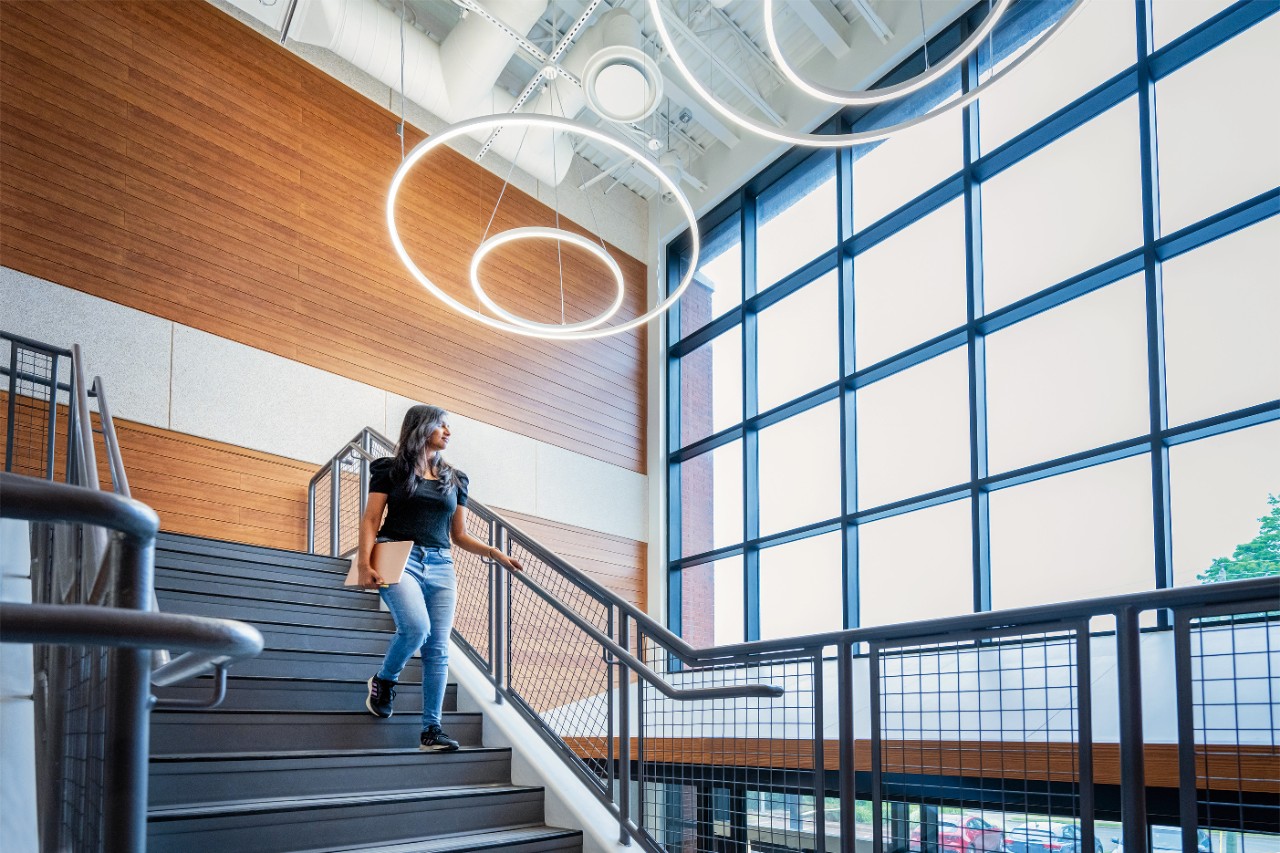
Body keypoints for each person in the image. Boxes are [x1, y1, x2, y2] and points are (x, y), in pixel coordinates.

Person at [356, 404, 522, 751]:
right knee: (416, 628)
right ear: (422, 427)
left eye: (449, 427)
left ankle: (431, 729)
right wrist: (363, 564)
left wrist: (494, 552)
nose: (449, 432)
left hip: (441, 563)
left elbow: (458, 534)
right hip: (397, 555)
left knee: (438, 648)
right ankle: (385, 680)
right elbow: (372, 519)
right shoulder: (389, 470)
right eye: (442, 426)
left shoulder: (455, 478)